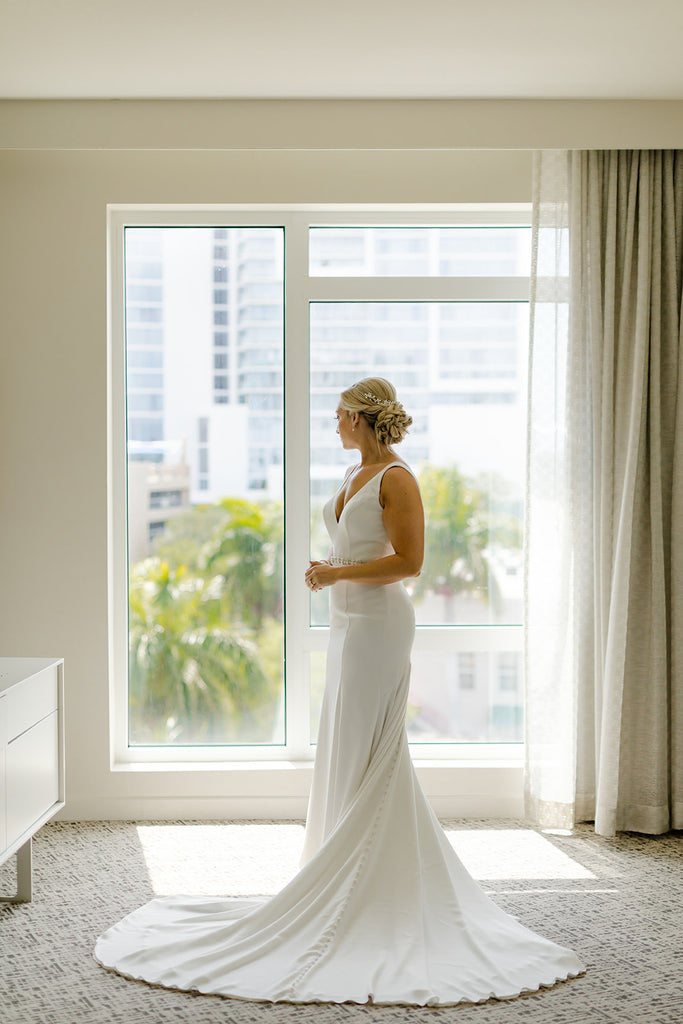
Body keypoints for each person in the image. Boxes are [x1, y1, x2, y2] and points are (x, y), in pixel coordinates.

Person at [95, 377, 584, 1005]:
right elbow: (351, 548)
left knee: (367, 744)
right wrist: (331, 575)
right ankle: (335, 870)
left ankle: (366, 883)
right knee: (346, 743)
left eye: (339, 414)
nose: (333, 423)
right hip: (348, 624)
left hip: (380, 625)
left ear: (362, 417)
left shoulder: (397, 479)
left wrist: (335, 573)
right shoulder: (351, 475)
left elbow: (409, 563)